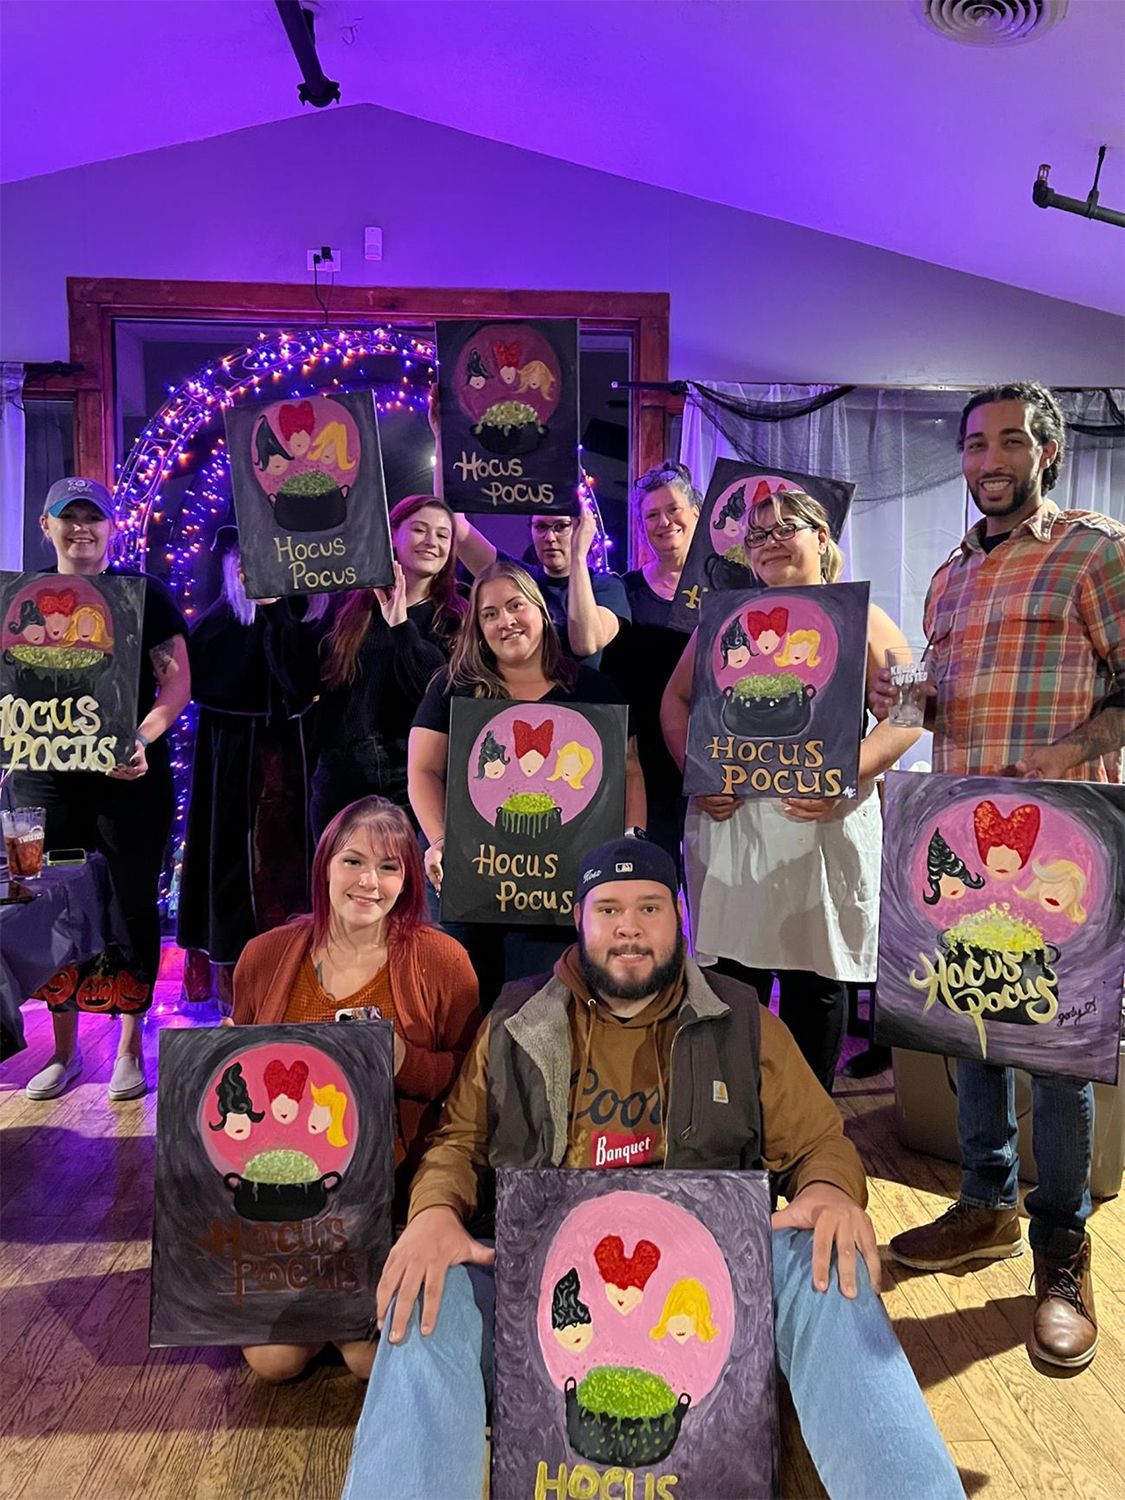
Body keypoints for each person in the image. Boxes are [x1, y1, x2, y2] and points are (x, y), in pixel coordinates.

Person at [341, 837, 964, 1500]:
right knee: (425, 1291)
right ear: (579, 921)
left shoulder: (744, 1020)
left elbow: (819, 1143)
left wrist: (829, 1192)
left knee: (827, 1268)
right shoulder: (517, 1021)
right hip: (550, 1286)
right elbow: (458, 1142)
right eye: (607, 909)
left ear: (679, 917)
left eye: (649, 908)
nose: (628, 927)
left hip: (707, 1290)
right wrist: (433, 1213)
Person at [870, 382, 1125, 1371]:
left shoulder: (1096, 553)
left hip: (1063, 853)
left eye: (1011, 439)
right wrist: (918, 702)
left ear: (1047, 454)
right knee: (967, 1030)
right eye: (975, 442)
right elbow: (935, 699)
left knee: (1055, 1057)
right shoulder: (949, 576)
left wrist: (1072, 750)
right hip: (963, 853)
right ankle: (985, 1207)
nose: (990, 457)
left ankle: (1062, 1251)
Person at [661, 489, 921, 1093]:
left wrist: (846, 775)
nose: (771, 542)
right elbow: (674, 702)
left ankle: (808, 1125)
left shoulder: (867, 615)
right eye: (758, 535)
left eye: (786, 529)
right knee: (732, 980)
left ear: (822, 538)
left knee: (816, 979)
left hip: (820, 824)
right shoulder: (724, 621)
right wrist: (697, 774)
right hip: (733, 827)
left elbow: (913, 708)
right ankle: (735, 1127)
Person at [230, 795, 481, 1382]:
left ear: (409, 878)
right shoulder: (264, 958)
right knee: (273, 1364)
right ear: (325, 865)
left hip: (388, 1197)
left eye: (390, 867)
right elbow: (232, 1078)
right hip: (289, 1202)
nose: (370, 882)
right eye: (354, 862)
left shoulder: (443, 961)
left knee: (369, 1358)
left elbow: (473, 1087)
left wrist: (403, 1061)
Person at [14, 477, 192, 1102]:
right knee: (51, 904)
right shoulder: (22, 600)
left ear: (113, 528)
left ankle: (126, 1048)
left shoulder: (145, 595)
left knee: (130, 902)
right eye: (69, 517)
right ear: (47, 526)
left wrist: (141, 737)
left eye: (94, 518)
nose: (82, 528)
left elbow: (175, 685)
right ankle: (63, 1053)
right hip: (44, 776)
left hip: (128, 779)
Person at [408, 559, 645, 995]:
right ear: (477, 627)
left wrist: (630, 838)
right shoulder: (452, 688)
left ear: (540, 610)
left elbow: (629, 769)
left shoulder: (592, 690)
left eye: (515, 605)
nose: (506, 621)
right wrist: (440, 841)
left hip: (558, 887)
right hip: (466, 878)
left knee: (543, 1005)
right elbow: (422, 771)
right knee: (461, 1003)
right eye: (490, 613)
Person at [266, 494, 467, 838]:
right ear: (392, 536)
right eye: (419, 529)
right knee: (336, 886)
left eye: (443, 535)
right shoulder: (348, 607)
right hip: (341, 774)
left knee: (404, 887)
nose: (431, 541)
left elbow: (436, 696)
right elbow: (303, 683)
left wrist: (402, 627)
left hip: (411, 781)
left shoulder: (457, 617)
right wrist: (273, 609)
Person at [176, 532, 322, 1002]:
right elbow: (203, 678)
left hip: (295, 764)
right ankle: (236, 986)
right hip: (234, 767)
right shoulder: (216, 626)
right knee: (234, 864)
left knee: (292, 864)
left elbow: (301, 680)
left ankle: (297, 977)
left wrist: (277, 612)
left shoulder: (305, 619)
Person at [602, 461, 700, 866]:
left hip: (713, 763)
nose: (664, 522)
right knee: (656, 883)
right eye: (651, 515)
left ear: (696, 512)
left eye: (673, 509)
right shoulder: (624, 591)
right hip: (647, 771)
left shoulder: (733, 592)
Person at [452, 504, 631, 668]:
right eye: (540, 527)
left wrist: (578, 556)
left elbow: (585, 644)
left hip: (580, 700)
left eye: (561, 527)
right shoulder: (520, 579)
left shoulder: (607, 587)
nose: (550, 537)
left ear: (581, 529)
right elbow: (457, 526)